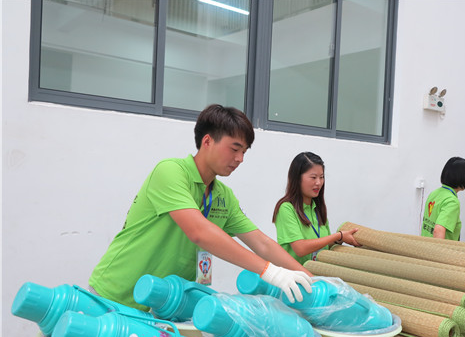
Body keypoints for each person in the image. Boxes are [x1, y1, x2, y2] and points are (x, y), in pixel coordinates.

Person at [89, 104, 312, 310]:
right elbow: (199, 232)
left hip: (160, 305)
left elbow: (261, 243)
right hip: (114, 296)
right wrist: (269, 271)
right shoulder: (170, 172)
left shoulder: (223, 196)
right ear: (207, 141)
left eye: (244, 151)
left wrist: (307, 277)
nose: (240, 158)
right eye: (234, 149)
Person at [272, 152, 360, 265]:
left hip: (317, 275)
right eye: (313, 177)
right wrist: (339, 235)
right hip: (295, 277)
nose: (318, 183)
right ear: (297, 178)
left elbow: (324, 246)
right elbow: (300, 249)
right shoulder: (286, 208)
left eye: (322, 177)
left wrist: (339, 239)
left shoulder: (317, 208)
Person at [421, 157, 465, 240]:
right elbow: (438, 231)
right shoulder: (452, 202)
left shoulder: (435, 193)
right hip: (438, 251)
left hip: (425, 248)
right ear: (462, 177)